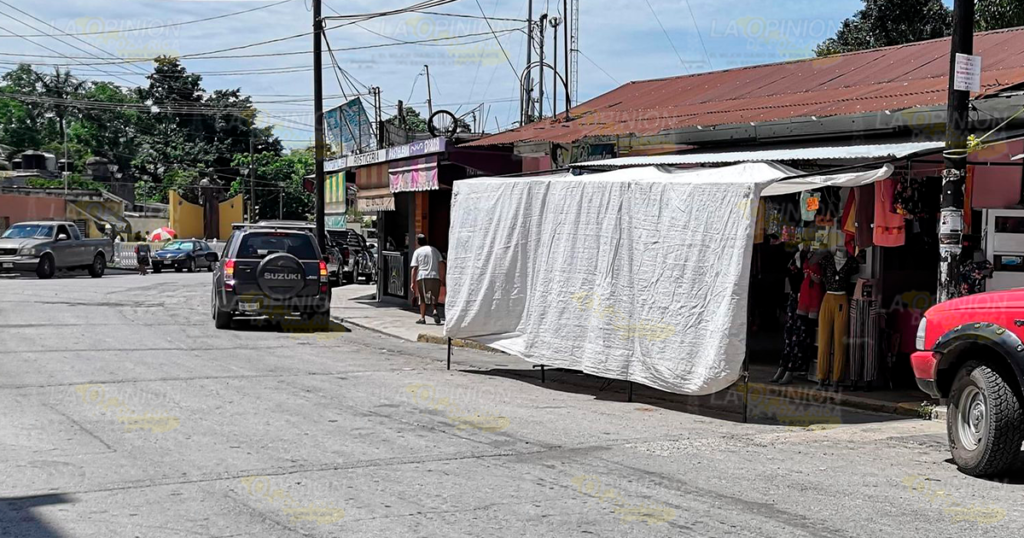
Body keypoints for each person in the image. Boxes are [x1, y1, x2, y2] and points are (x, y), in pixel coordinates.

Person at [410, 234, 444, 325]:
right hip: (435, 276)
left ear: (418, 242)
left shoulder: (417, 252)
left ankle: (422, 318)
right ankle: (435, 310)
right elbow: (441, 264)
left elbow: (414, 268)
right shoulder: (435, 250)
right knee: (434, 297)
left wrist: (412, 282)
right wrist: (442, 278)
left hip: (423, 276)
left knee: (422, 298)